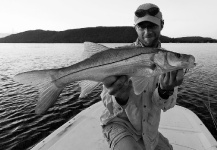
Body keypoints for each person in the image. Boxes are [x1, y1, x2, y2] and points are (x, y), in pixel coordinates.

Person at [100, 3, 184, 150]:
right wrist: (120, 98)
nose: (147, 32)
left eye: (151, 26)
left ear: (162, 25)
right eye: (141, 27)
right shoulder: (118, 55)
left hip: (149, 130)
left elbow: (166, 105)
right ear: (135, 28)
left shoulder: (169, 61)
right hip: (119, 123)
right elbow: (107, 102)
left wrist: (165, 91)